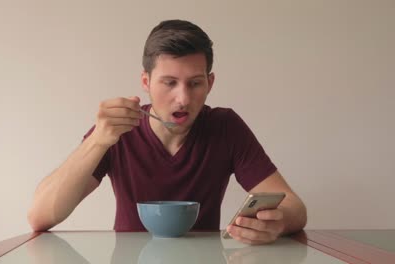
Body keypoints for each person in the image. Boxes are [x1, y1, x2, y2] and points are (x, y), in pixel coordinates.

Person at [27, 19, 307, 245]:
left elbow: (295, 207)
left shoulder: (225, 126)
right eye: (169, 82)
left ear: (210, 83)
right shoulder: (118, 129)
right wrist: (98, 141)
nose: (183, 98)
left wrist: (277, 223)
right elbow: (39, 217)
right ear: (146, 82)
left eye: (195, 83)